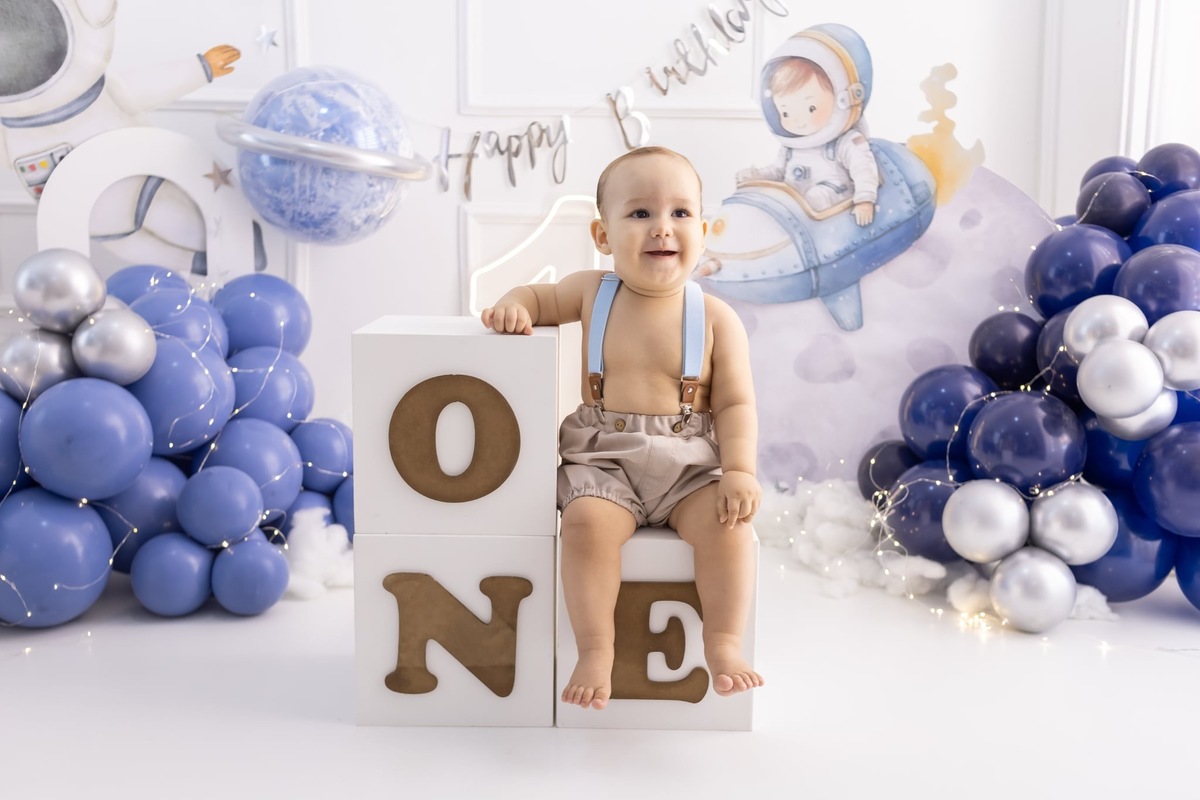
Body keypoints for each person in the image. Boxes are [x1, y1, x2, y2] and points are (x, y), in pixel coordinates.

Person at [481, 146, 764, 710]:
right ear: (603, 234)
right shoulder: (592, 292)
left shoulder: (715, 318)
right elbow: (538, 298)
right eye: (640, 213)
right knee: (585, 527)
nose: (663, 227)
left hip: (689, 466)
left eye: (681, 213)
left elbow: (734, 404)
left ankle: (724, 640)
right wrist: (514, 303)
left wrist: (739, 470)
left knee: (729, 529)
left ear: (704, 231)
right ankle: (595, 647)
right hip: (605, 458)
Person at [737, 53, 879, 226]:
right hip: (794, 205)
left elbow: (863, 169)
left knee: (814, 198)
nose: (797, 121)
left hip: (833, 200)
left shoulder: (845, 141)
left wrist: (865, 200)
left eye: (811, 108)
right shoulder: (792, 146)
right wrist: (757, 176)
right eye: (786, 113)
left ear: (839, 100)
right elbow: (778, 170)